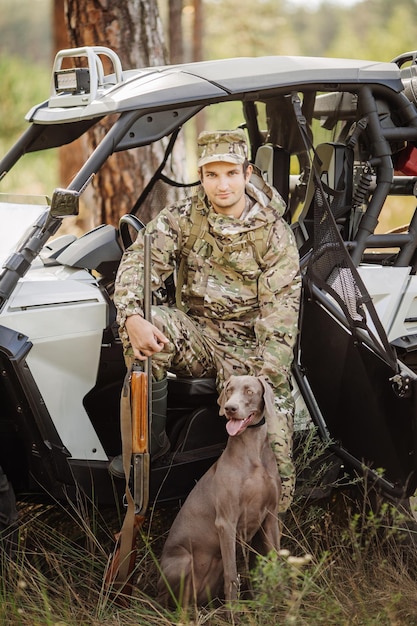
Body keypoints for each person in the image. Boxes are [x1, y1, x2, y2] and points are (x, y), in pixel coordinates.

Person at [111, 129, 301, 512]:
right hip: (198, 333)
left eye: (230, 173)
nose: (222, 184)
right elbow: (139, 260)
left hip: (251, 347)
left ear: (247, 173)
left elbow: (281, 315)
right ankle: (148, 450)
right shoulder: (184, 216)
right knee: (149, 326)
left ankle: (270, 537)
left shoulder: (273, 232)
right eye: (212, 175)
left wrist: (265, 380)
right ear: (201, 176)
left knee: (276, 455)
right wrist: (132, 314)